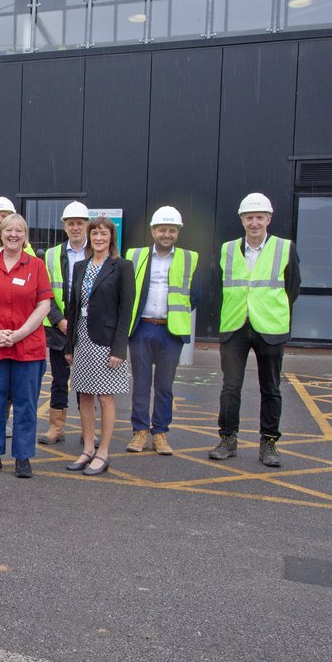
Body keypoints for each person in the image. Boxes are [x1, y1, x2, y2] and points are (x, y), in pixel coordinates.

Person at [213, 192, 300, 467]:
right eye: (249, 217)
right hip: (235, 326)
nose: (254, 223)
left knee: (271, 388)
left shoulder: (285, 248)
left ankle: (269, 443)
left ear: (268, 219)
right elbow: (219, 287)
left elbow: (292, 288)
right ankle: (228, 439)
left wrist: (268, 310)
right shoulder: (227, 249)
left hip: (269, 327)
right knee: (230, 387)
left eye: (259, 217)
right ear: (242, 220)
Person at [0, 214, 52, 478]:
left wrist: (18, 334)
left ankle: (23, 456)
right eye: (8, 230)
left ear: (25, 235)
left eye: (19, 230)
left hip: (27, 346)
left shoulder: (36, 266)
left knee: (26, 403)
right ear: (0, 234)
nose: (13, 235)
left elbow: (44, 305)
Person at [125, 206, 200, 456]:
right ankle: (140, 432)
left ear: (177, 232)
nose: (166, 234)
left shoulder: (189, 258)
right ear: (152, 231)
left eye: (171, 230)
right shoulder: (135, 256)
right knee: (141, 384)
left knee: (165, 385)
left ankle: (160, 433)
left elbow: (196, 295)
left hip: (171, 331)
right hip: (142, 327)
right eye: (161, 229)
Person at [64, 217, 134, 476]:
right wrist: (69, 344)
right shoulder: (80, 266)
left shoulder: (122, 267)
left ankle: (103, 452)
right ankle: (88, 449)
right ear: (89, 237)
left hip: (106, 342)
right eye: (94, 233)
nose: (98, 238)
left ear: (111, 238)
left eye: (103, 234)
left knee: (105, 397)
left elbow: (126, 310)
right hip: (82, 337)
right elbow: (73, 306)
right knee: (83, 394)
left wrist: (119, 349)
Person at [40, 201, 90, 445]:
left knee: (86, 381)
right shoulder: (51, 255)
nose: (76, 227)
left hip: (90, 329)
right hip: (60, 329)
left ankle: (87, 429)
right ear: (64, 226)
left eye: (80, 223)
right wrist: (59, 320)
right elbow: (45, 292)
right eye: (71, 223)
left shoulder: (97, 251)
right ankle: (56, 427)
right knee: (59, 380)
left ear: (87, 225)